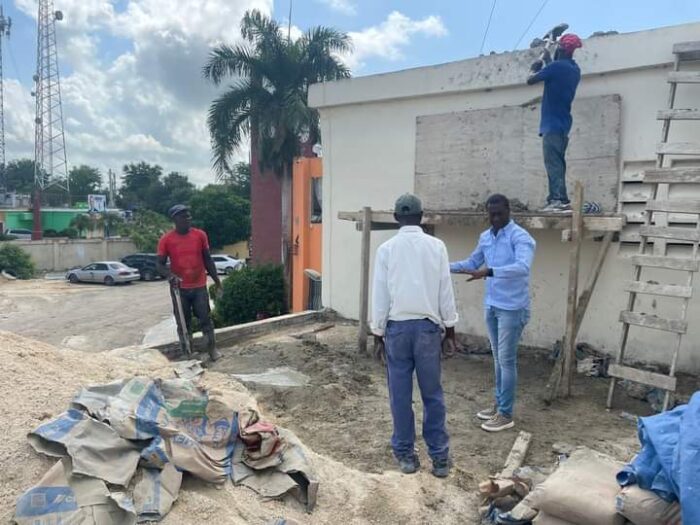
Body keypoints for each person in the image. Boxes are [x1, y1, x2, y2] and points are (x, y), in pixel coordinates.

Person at [371, 193, 458, 477]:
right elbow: (445, 289)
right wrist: (450, 329)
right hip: (427, 330)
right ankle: (439, 458)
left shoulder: (386, 249)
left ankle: (406, 455)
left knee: (400, 396)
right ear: (421, 217)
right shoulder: (437, 246)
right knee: (432, 394)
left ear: (396, 218)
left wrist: (377, 333)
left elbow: (380, 293)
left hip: (397, 330)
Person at [450, 194, 535, 432]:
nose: (495, 218)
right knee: (498, 359)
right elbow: (472, 262)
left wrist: (489, 272)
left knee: (506, 360)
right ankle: (499, 405)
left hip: (512, 308)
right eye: (492, 214)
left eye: (500, 214)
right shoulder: (486, 237)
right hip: (492, 305)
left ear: (508, 211)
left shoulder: (521, 237)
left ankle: (506, 414)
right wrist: (441, 266)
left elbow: (522, 267)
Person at [157, 204, 222, 361]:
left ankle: (212, 349)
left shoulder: (200, 235)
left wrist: (217, 281)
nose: (188, 219)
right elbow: (159, 264)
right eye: (183, 216)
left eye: (189, 215)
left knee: (205, 319)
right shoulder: (166, 240)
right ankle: (187, 352)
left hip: (199, 286)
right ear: (175, 219)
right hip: (179, 289)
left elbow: (207, 259)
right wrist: (170, 275)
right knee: (183, 323)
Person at [527, 33, 583, 213]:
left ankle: (557, 200)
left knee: (553, 164)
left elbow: (530, 79)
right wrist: (547, 58)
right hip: (563, 124)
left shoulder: (557, 67)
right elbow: (555, 71)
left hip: (552, 125)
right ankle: (560, 199)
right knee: (558, 163)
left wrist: (535, 66)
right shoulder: (574, 69)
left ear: (561, 49)